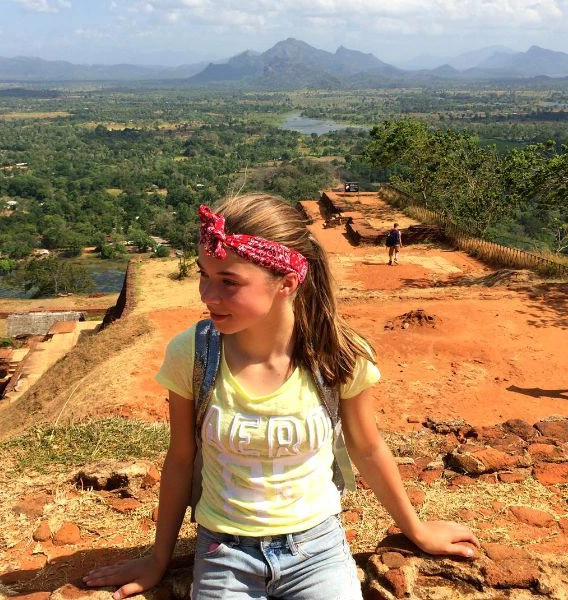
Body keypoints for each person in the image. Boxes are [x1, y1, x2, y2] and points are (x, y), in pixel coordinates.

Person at [84, 194, 478, 600]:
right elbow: (181, 458)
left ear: (288, 282)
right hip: (225, 550)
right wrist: (157, 559)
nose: (208, 295)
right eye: (204, 275)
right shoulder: (194, 354)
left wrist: (416, 529)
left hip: (317, 549)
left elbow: (368, 447)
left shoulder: (338, 355)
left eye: (228, 282)